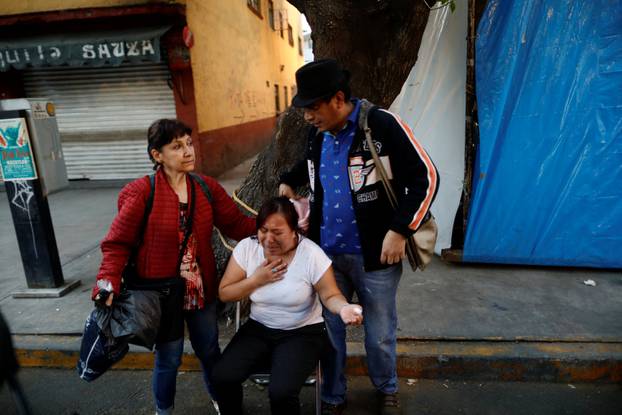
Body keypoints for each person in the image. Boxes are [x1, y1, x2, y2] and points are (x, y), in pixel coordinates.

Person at [278, 59, 439, 415]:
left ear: (338, 98)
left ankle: (387, 389)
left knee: (379, 333)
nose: (307, 117)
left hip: (375, 258)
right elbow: (309, 166)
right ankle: (333, 396)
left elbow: (426, 176)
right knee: (329, 330)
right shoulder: (316, 134)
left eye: (312, 108)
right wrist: (290, 179)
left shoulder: (381, 125)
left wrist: (399, 230)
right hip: (326, 257)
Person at [91, 119, 256, 415]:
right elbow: (117, 243)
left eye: (189, 144)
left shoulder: (206, 188)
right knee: (169, 358)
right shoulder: (143, 192)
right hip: (161, 294)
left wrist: (275, 226)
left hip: (200, 290)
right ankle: (163, 411)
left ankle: (222, 402)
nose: (187, 151)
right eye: (176, 146)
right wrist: (107, 282)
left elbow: (238, 224)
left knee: (209, 351)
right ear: (157, 155)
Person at [211, 197, 363, 415]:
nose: (268, 239)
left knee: (281, 392)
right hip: (259, 328)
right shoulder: (247, 248)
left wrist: (344, 308)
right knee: (222, 377)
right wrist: (256, 280)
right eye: (263, 230)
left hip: (301, 333)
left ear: (294, 230)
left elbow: (330, 294)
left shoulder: (310, 253)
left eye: (278, 232)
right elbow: (225, 293)